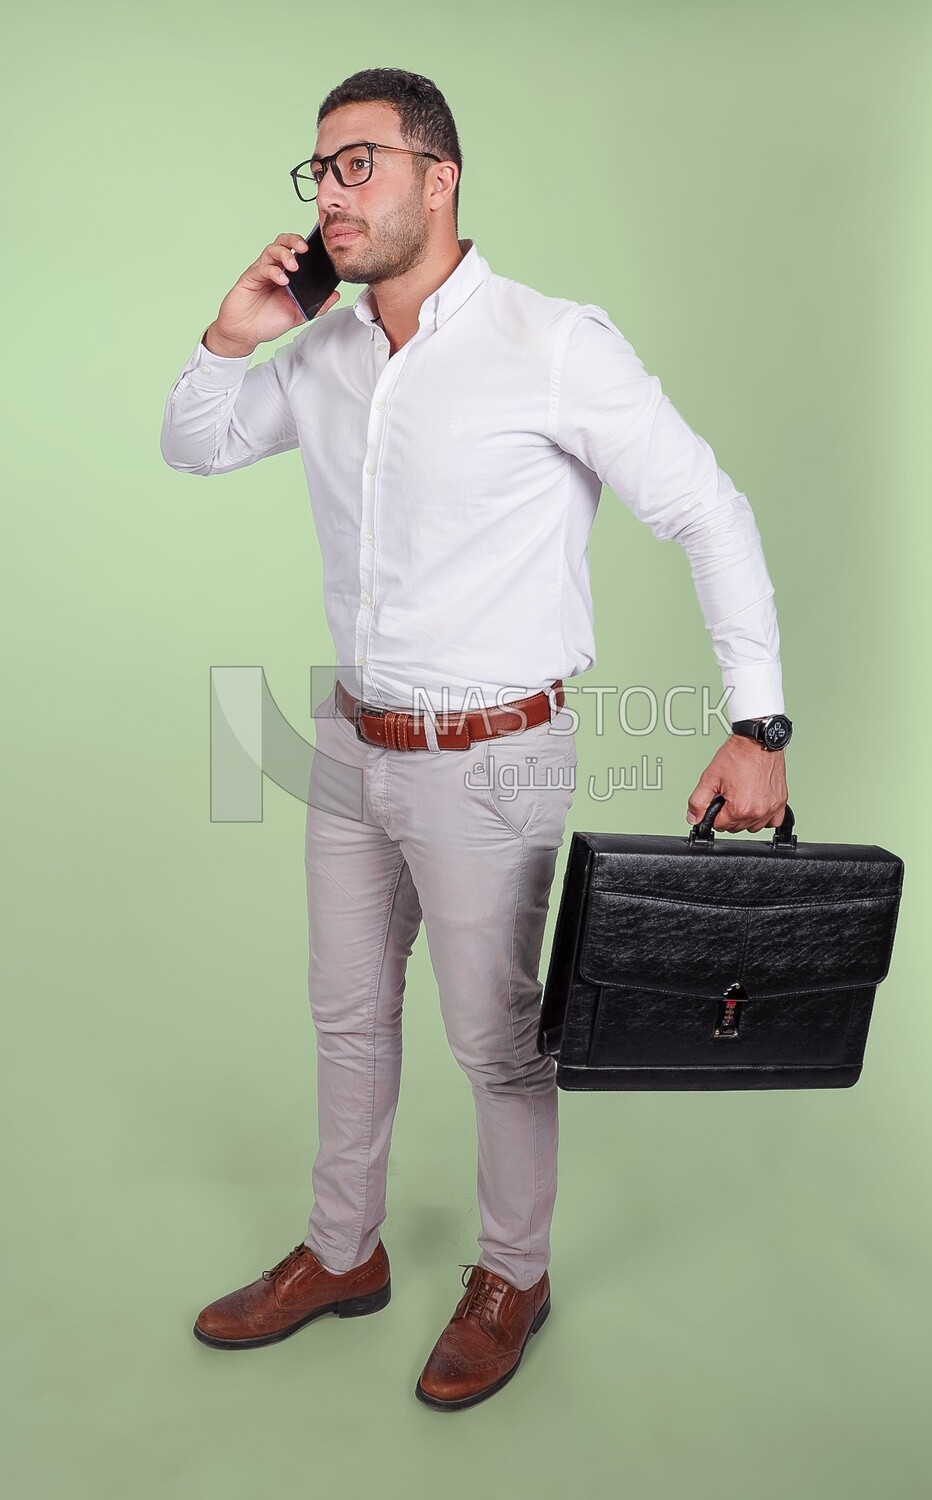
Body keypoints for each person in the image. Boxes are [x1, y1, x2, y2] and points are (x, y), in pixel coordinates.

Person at [160, 66, 790, 1412]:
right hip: (349, 742)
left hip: (493, 754)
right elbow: (194, 448)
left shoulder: (551, 341)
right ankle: (342, 1251)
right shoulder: (323, 351)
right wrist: (230, 335)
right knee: (343, 1015)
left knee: (499, 1039)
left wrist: (758, 724)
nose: (331, 193)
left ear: (438, 180)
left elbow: (707, 511)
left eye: (360, 164)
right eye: (318, 170)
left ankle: (513, 1272)